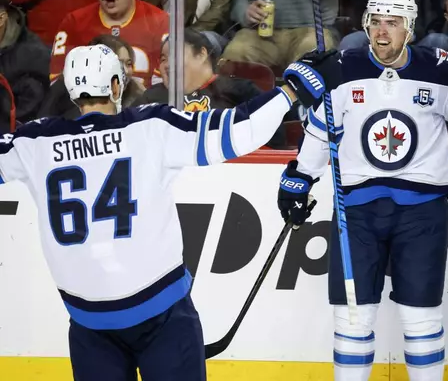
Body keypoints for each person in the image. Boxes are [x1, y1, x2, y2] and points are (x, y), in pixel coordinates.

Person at [0, 43, 339, 381]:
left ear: (73, 91)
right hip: (163, 318)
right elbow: (241, 129)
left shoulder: (34, 142)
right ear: (117, 86)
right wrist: (292, 90)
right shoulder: (150, 127)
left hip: (89, 326)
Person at [276, 0, 448, 380]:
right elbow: (321, 132)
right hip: (358, 212)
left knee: (421, 321)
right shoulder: (342, 67)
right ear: (366, 23)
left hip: (422, 213)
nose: (382, 32)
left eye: (393, 22)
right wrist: (298, 179)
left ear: (410, 28)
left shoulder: (437, 70)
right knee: (353, 319)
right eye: (377, 21)